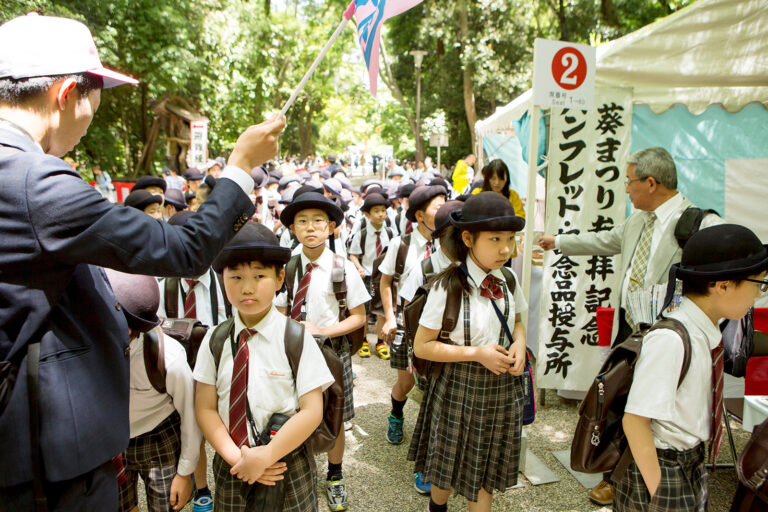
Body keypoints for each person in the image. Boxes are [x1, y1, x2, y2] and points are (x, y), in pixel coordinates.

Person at [0, 13, 285, 511]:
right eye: (94, 101)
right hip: (46, 468)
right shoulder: (32, 182)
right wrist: (240, 168)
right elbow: (184, 250)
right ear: (67, 94)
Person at [537, 146, 723, 505]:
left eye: (630, 181)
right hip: (630, 331)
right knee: (619, 401)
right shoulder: (638, 219)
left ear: (651, 183)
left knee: (654, 411)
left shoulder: (698, 224)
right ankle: (614, 476)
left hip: (670, 337)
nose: (626, 189)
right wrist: (558, 241)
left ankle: (654, 478)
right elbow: (604, 240)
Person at [615, 224, 768, 511]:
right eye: (758, 284)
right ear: (723, 286)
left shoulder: (705, 330)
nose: (758, 295)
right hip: (663, 466)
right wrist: (658, 491)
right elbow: (635, 422)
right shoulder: (672, 340)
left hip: (691, 460)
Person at [194, 222, 334, 512]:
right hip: (234, 463)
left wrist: (267, 454)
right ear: (222, 278)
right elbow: (205, 407)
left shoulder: (295, 338)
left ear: (280, 277)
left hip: (286, 461)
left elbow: (312, 410)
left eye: (259, 276)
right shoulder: (215, 339)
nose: (247, 287)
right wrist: (239, 459)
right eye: (235, 277)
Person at [409, 192, 528, 512]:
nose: (506, 248)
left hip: (500, 387)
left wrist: (519, 344)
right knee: (445, 472)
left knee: (485, 473)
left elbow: (517, 321)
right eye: (495, 239)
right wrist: (476, 354)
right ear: (468, 238)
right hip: (458, 386)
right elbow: (422, 346)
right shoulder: (446, 286)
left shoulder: (509, 279)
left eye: (510, 239)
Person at [275, 193, 369, 512]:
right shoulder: (285, 265)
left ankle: (335, 474)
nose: (310, 227)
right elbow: (278, 309)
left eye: (318, 221)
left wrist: (323, 331)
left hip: (331, 352)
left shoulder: (342, 268)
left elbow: (359, 316)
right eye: (302, 221)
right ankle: (299, 470)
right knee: (294, 412)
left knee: (335, 415)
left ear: (331, 228)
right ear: (292, 227)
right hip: (293, 351)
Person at [105, 268, 200, 512]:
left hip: (158, 436)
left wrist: (185, 472)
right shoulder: (94, 347)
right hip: (114, 440)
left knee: (165, 505)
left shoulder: (168, 358)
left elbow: (190, 417)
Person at [379, 186, 445, 456]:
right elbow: (385, 282)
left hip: (439, 324)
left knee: (434, 386)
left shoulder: (447, 243)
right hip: (406, 323)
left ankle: (428, 441)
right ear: (420, 215)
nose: (443, 212)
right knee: (406, 384)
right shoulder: (401, 244)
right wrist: (387, 318)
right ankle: (396, 415)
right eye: (436, 208)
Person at [348, 192, 393, 360]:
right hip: (367, 276)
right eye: (376, 211)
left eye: (383, 210)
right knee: (366, 311)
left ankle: (381, 342)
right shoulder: (363, 233)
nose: (381, 214)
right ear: (367, 214)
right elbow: (352, 254)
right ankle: (364, 341)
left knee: (382, 310)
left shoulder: (389, 233)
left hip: (383, 276)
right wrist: (359, 268)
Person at [473, 159, 525, 257]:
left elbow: (520, 217)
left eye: (501, 178)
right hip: (483, 247)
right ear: (487, 178)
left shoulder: (512, 195)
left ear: (507, 179)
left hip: (505, 248)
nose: (497, 182)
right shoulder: (477, 194)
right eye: (493, 178)